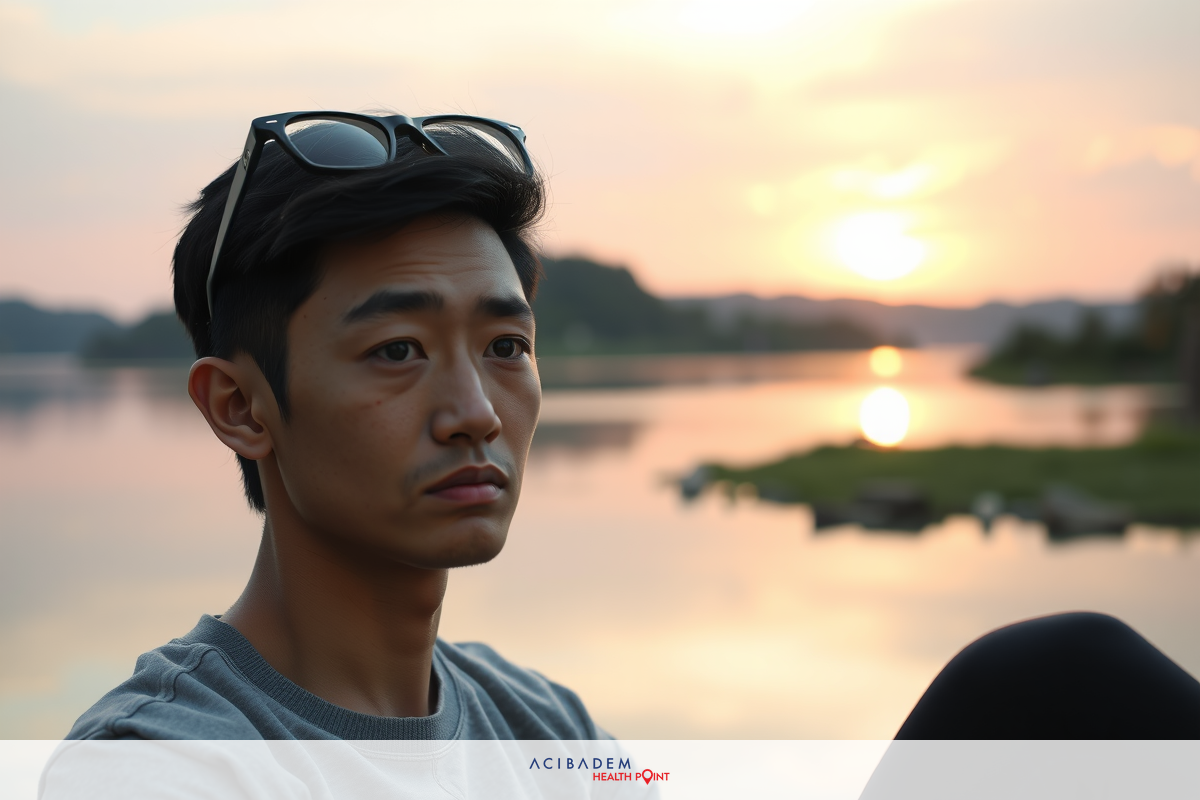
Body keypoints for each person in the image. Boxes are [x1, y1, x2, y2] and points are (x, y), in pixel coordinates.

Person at [62, 110, 607, 741]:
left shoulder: (552, 732)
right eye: (399, 350)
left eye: (506, 347)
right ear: (239, 406)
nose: (477, 415)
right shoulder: (164, 762)